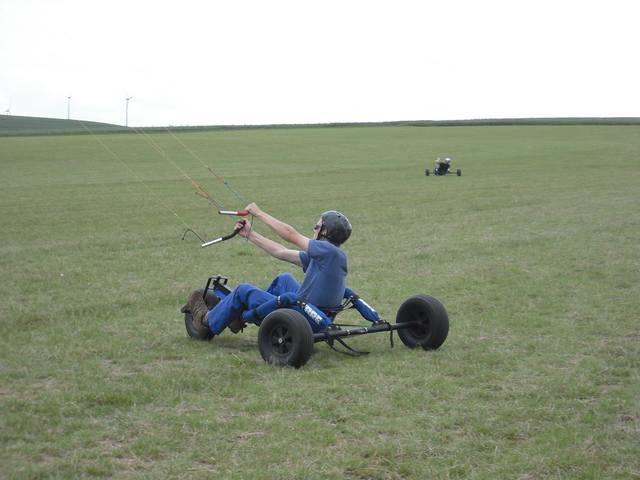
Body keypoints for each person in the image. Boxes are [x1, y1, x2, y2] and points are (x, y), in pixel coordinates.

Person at [187, 203, 352, 337]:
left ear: (325, 232)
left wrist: (259, 214)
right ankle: (247, 311)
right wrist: (250, 234)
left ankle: (205, 321)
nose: (313, 229)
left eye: (317, 226)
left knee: (243, 291)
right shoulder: (328, 256)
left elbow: (289, 234)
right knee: (284, 279)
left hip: (305, 317)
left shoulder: (327, 251)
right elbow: (280, 252)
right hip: (313, 312)